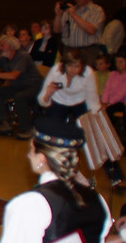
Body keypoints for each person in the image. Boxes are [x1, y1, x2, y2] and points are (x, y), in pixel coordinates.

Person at [0, 116, 111, 243]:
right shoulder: (98, 199)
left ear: (41, 158)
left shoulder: (31, 204)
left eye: (31, 150)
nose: (28, 155)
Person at [37, 48, 123, 185]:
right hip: (59, 100)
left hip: (80, 101)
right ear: (65, 65)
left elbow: (93, 101)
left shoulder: (88, 73)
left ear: (82, 67)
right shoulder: (56, 70)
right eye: (70, 65)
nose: (73, 69)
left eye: (77, 66)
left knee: (95, 135)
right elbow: (42, 100)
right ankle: (47, 171)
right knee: (51, 135)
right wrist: (48, 93)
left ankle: (115, 174)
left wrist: (98, 120)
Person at [0, 34, 44, 140]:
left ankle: (27, 129)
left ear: (12, 46)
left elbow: (14, 75)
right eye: (0, 45)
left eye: (3, 45)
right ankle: (4, 123)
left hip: (33, 86)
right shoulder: (4, 58)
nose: (0, 48)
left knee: (20, 97)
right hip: (18, 86)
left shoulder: (23, 56)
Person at [54, 0, 105, 67]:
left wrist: (74, 15)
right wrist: (58, 15)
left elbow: (91, 30)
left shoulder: (97, 10)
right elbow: (57, 30)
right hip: (69, 49)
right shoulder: (69, 10)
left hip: (88, 50)